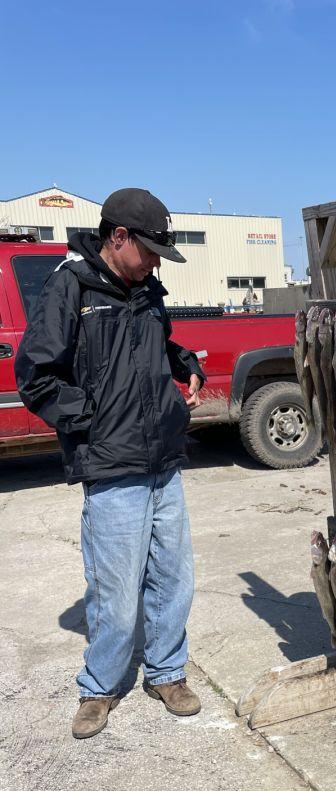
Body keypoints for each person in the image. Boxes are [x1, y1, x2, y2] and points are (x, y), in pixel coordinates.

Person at [15, 188, 207, 739]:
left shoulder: (147, 290)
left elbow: (161, 343)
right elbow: (36, 376)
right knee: (116, 592)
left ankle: (168, 673)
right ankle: (100, 686)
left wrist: (185, 364)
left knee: (174, 580)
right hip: (111, 468)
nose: (153, 262)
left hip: (164, 461)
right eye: (147, 250)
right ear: (117, 238)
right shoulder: (70, 288)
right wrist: (94, 418)